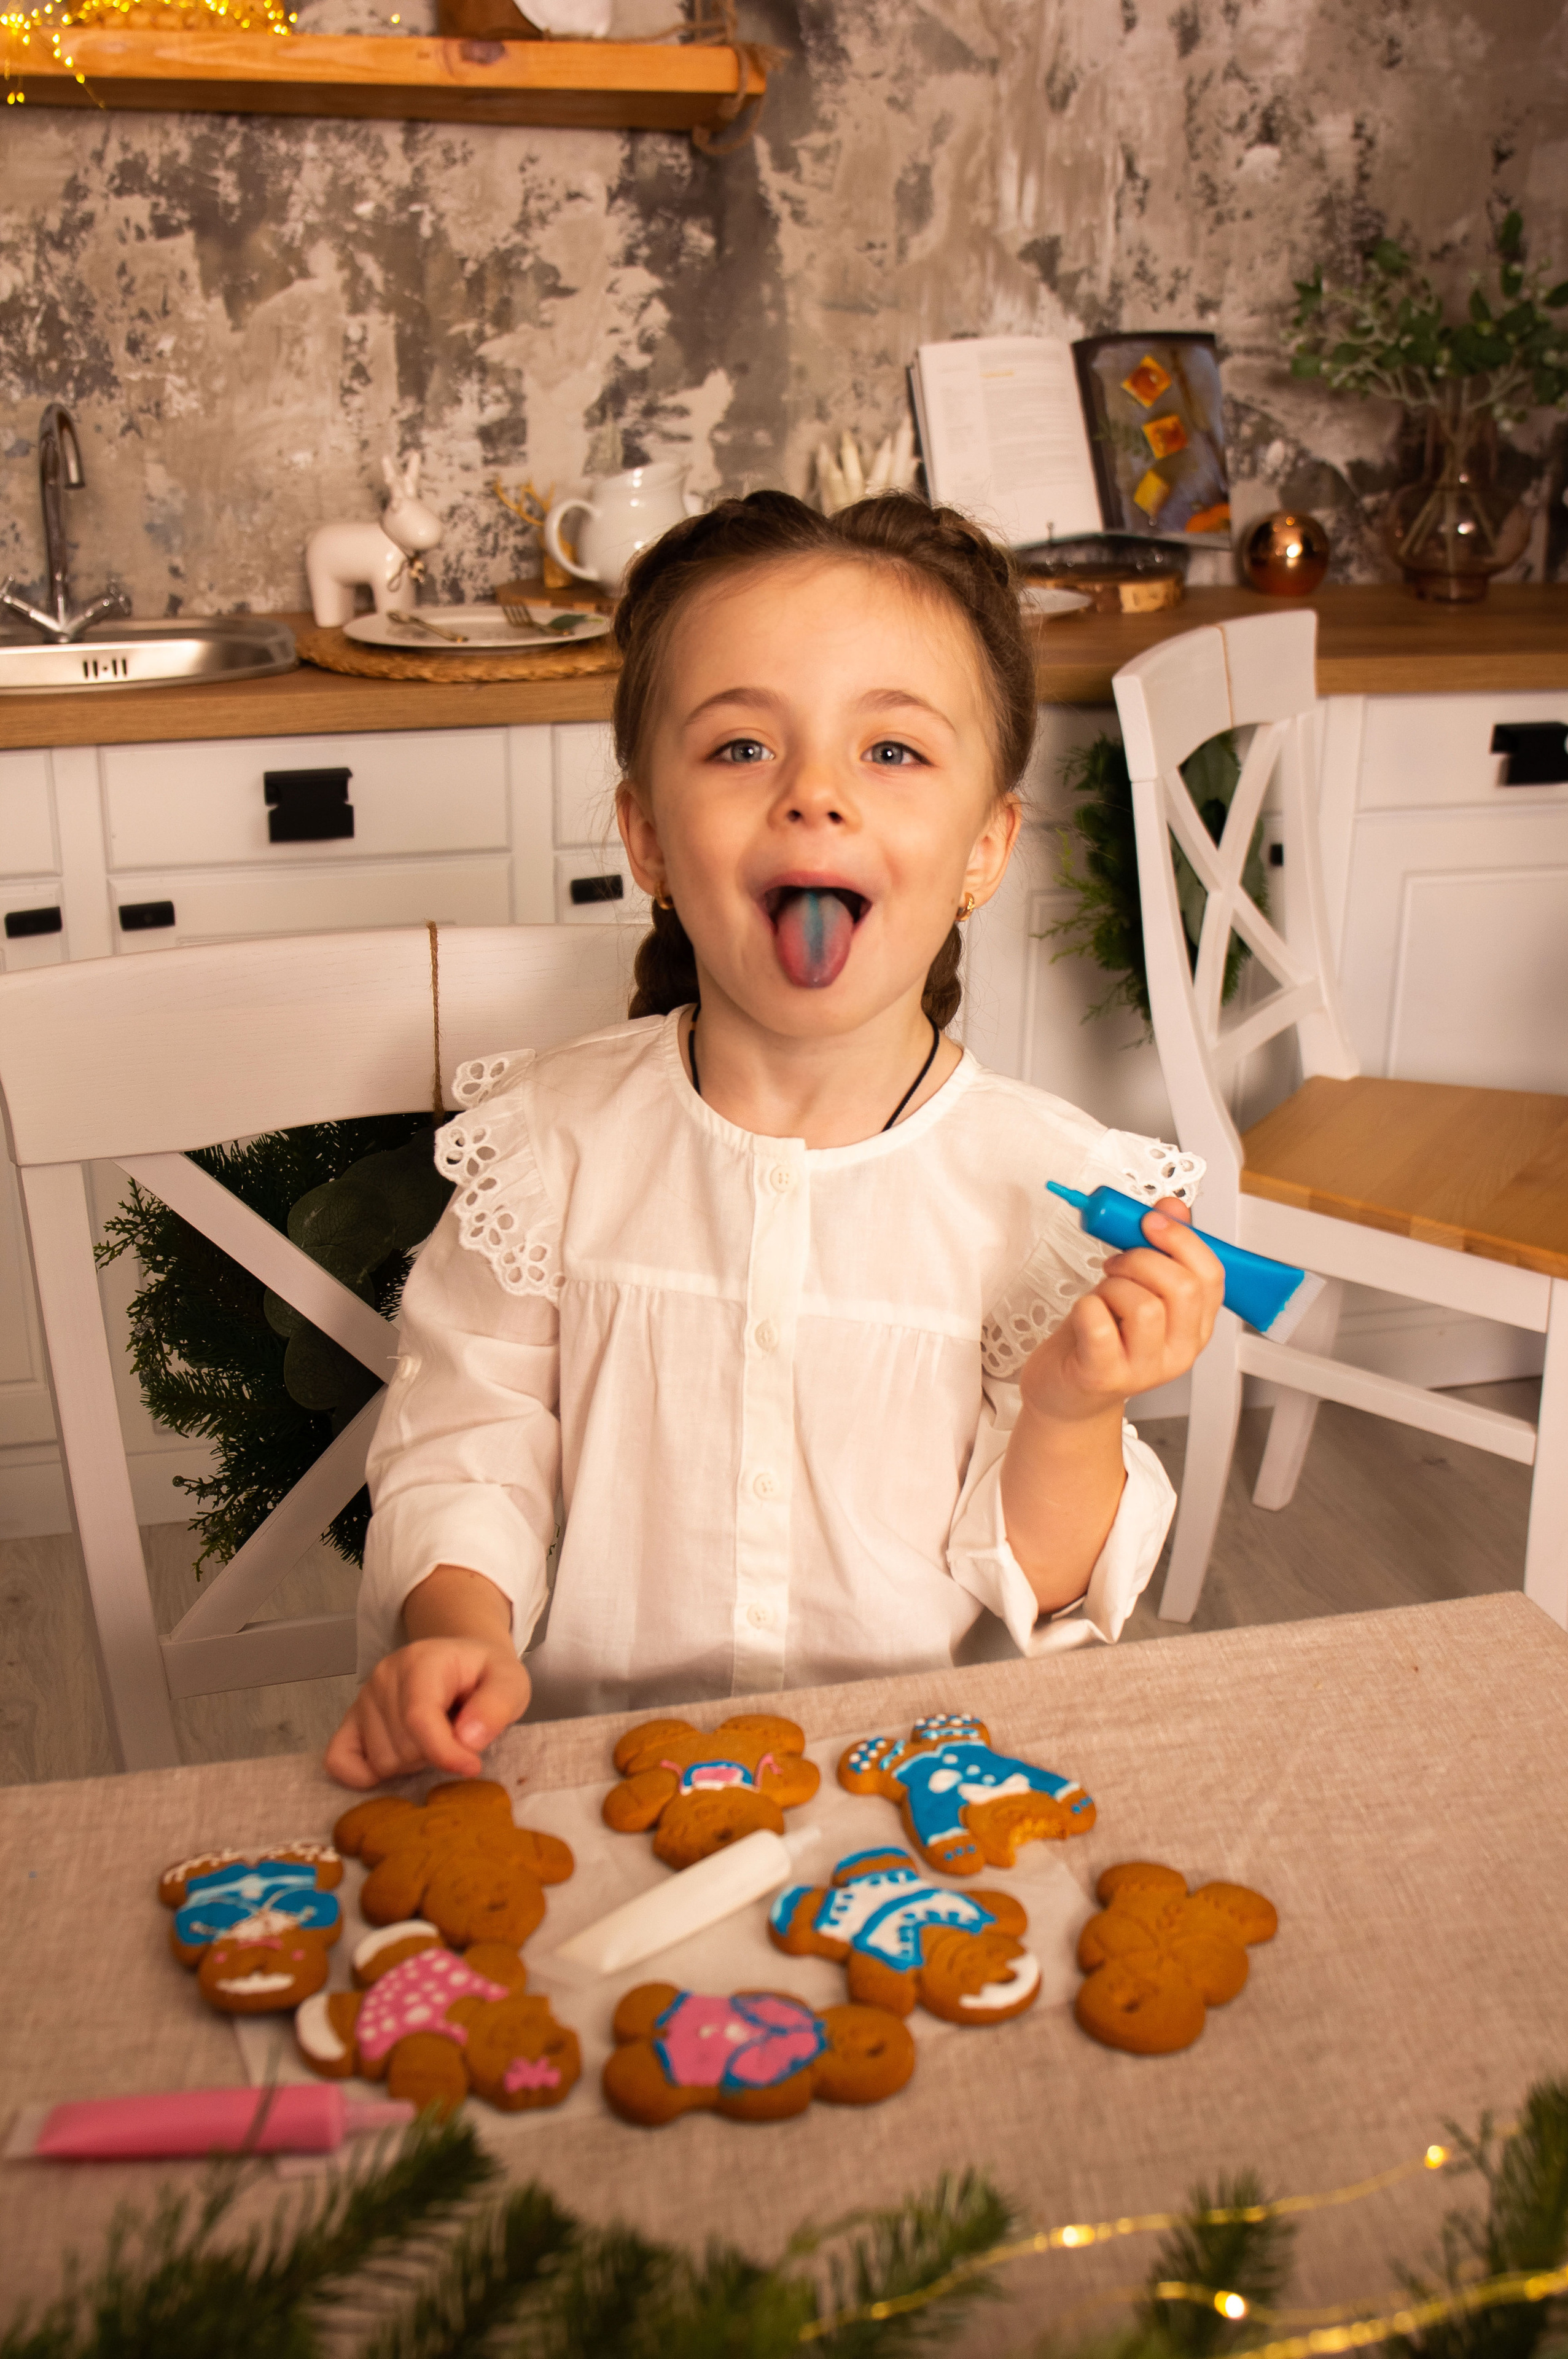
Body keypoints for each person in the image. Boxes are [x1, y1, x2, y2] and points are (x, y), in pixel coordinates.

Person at [325, 491, 1223, 1791]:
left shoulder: (1049, 1196)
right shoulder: (549, 1148)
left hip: (908, 1800)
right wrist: (456, 1629)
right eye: (742, 749)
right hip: (586, 1785)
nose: (813, 796)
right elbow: (468, 1438)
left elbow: (1043, 1592)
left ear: (982, 851)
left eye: (892, 753)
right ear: (646, 837)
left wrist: (1075, 1411)